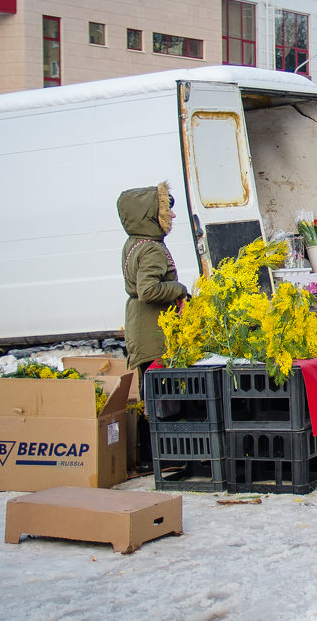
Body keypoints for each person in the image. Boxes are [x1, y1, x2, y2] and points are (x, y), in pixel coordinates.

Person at [117, 181, 189, 469]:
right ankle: (166, 457)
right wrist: (179, 289)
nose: (171, 216)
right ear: (149, 215)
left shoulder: (135, 243)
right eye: (165, 210)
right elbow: (148, 290)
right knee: (164, 396)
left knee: (154, 393)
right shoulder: (151, 250)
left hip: (142, 328)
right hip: (153, 332)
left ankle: (158, 457)